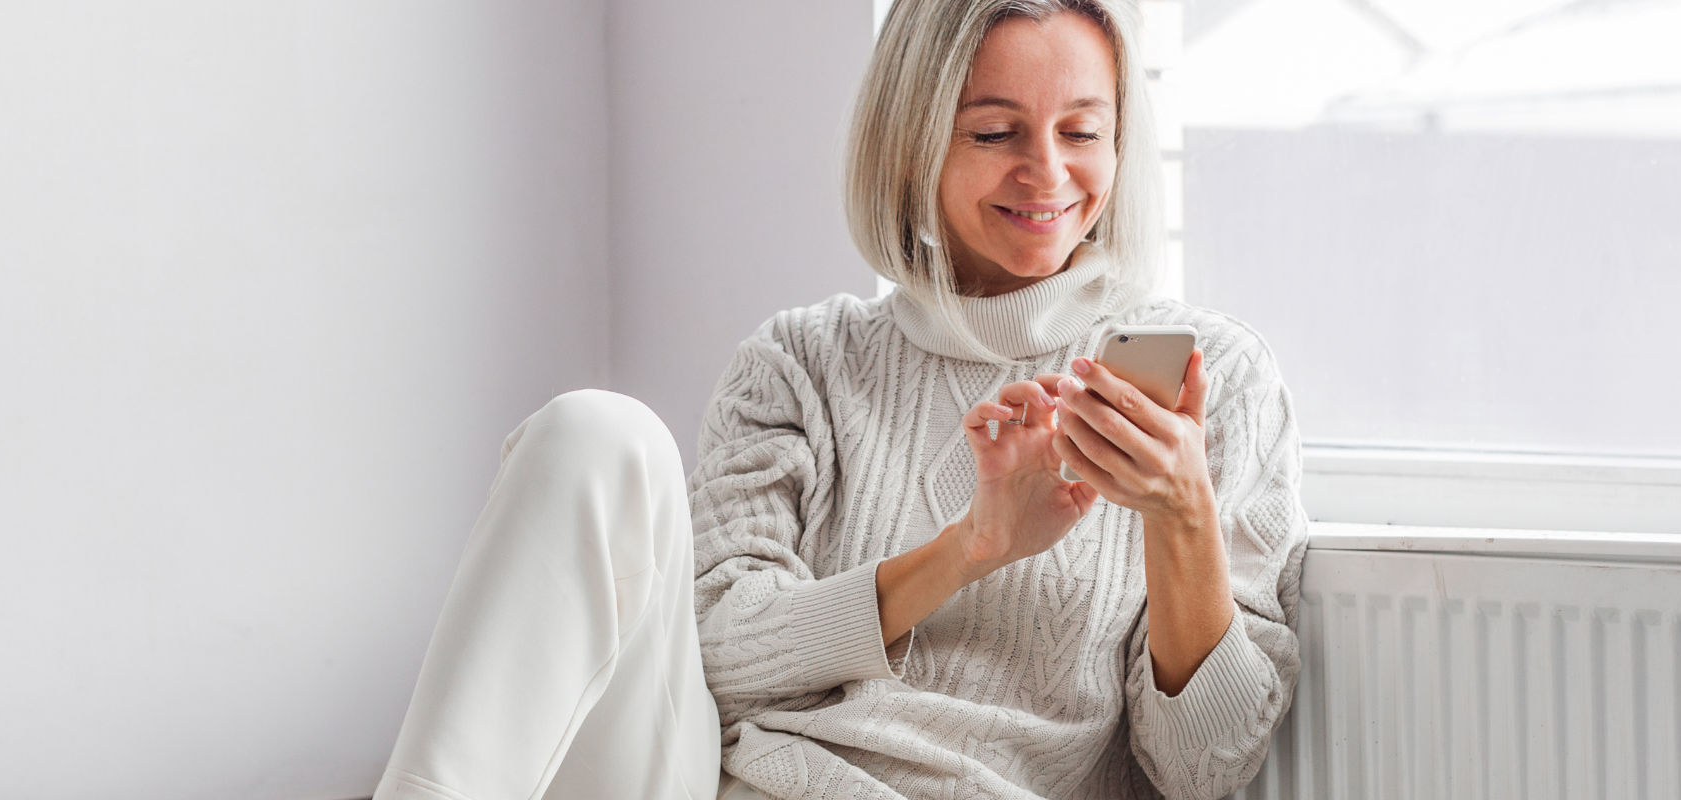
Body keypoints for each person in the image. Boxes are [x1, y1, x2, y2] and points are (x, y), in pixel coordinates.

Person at [372, 1, 1309, 798]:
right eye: (994, 132)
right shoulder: (801, 361)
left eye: (1081, 131)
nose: (1048, 175)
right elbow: (720, 658)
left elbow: (1203, 769)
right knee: (594, 432)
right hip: (723, 779)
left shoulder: (1212, 383)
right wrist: (970, 549)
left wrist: (1180, 513)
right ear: (912, 144)